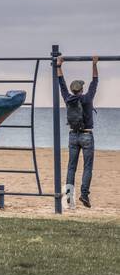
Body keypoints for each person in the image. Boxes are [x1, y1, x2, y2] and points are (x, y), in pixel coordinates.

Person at [56, 55, 99, 208]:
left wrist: (59, 66)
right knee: (87, 167)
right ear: (81, 89)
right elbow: (95, 82)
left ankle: (69, 196)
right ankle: (84, 195)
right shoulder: (87, 98)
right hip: (87, 135)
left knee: (71, 167)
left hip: (73, 135)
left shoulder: (68, 98)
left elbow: (61, 84)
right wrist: (94, 64)